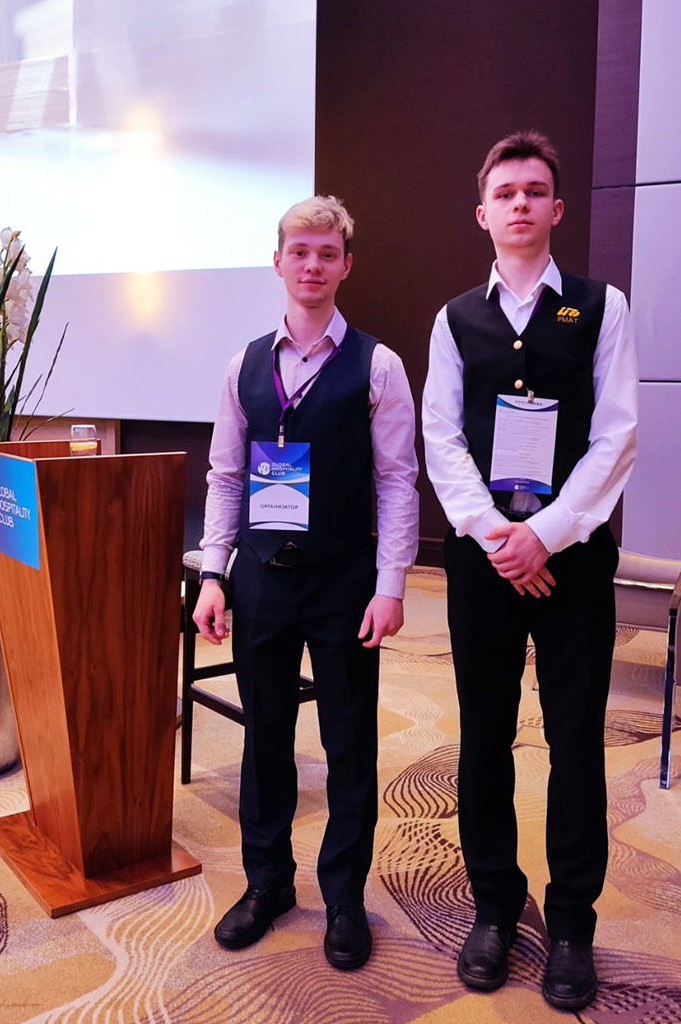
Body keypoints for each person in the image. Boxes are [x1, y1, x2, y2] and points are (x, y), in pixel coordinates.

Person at [421, 131, 637, 1011]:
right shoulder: (453, 320)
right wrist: (495, 536)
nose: (520, 203)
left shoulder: (601, 307)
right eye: (505, 192)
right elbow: (441, 438)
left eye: (534, 190)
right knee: (485, 737)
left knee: (576, 742)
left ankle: (573, 924)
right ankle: (494, 908)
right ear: (483, 213)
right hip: (482, 565)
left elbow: (615, 434)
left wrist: (543, 536)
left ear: (557, 208)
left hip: (573, 564)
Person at [193, 195, 420, 970]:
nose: (313, 265)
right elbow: (225, 476)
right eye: (300, 251)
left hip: (344, 581)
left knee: (348, 741)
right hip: (261, 578)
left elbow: (397, 481)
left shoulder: (378, 366)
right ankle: (267, 884)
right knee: (265, 738)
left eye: (327, 253)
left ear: (346, 265)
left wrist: (391, 583)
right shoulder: (244, 365)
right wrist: (214, 573)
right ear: (279, 261)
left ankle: (344, 898)